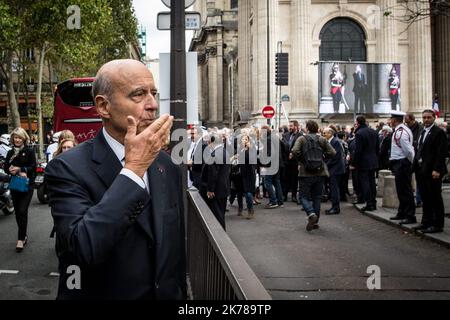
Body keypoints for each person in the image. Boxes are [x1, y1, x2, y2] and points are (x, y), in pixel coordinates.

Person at [45, 59, 186, 300]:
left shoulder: (167, 166)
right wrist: (133, 170)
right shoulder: (67, 168)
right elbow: (83, 248)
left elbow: (173, 251)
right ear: (103, 107)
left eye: (154, 93)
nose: (152, 105)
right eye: (139, 94)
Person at [292, 120, 336, 232]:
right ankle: (315, 222)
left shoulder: (302, 139)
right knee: (317, 197)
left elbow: (295, 150)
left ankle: (311, 214)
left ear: (307, 128)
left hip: (305, 173)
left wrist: (302, 161)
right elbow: (333, 152)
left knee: (303, 197)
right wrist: (322, 159)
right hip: (319, 172)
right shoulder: (321, 139)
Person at [413, 110, 448, 234]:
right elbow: (419, 149)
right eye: (424, 117)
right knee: (425, 197)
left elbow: (441, 152)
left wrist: (437, 169)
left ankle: (437, 224)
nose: (426, 119)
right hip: (422, 170)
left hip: (433, 171)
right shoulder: (422, 131)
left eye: (428, 117)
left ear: (434, 118)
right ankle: (426, 222)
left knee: (435, 198)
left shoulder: (439, 132)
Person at [4, 128, 36, 252]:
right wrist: (10, 170)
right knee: (18, 212)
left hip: (27, 185)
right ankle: (24, 235)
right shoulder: (10, 152)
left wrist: (21, 169)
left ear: (24, 138)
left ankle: (20, 239)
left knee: (22, 210)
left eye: (19, 137)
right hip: (15, 185)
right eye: (15, 137)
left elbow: (33, 167)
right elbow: (6, 167)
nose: (17, 140)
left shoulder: (29, 151)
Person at [389, 111, 416, 225]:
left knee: (405, 190)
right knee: (401, 190)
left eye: (391, 119)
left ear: (394, 120)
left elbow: (408, 150)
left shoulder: (401, 132)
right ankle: (402, 212)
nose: (390, 121)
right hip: (400, 162)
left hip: (402, 162)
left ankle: (410, 215)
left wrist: (410, 163)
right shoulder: (399, 130)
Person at [200, 132, 230, 230]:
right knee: (220, 214)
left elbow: (213, 174)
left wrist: (210, 190)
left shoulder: (215, 154)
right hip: (223, 188)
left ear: (211, 142)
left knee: (217, 216)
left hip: (216, 191)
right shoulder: (224, 151)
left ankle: (221, 240)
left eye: (208, 142)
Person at [352, 115, 379, 212]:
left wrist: (355, 163)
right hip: (373, 160)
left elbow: (358, 151)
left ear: (358, 122)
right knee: (372, 182)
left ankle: (369, 203)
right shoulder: (373, 131)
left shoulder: (359, 133)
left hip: (364, 162)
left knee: (365, 183)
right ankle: (373, 202)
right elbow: (377, 148)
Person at [323, 127, 345, 215]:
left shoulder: (335, 142)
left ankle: (336, 208)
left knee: (334, 188)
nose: (323, 135)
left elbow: (336, 157)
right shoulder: (330, 142)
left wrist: (326, 165)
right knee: (332, 188)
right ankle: (334, 206)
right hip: (333, 169)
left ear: (330, 134)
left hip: (336, 169)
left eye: (325, 133)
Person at [283, 120, 302, 202]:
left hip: (295, 161)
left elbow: (301, 148)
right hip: (286, 161)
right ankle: (285, 195)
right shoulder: (285, 135)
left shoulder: (300, 136)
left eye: (291, 126)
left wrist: (293, 154)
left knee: (294, 179)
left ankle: (294, 196)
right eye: (289, 126)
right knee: (285, 178)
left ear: (296, 126)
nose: (289, 127)